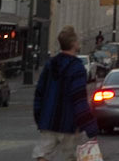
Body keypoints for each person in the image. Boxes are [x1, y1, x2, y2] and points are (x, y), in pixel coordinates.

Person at [32, 26, 98, 161]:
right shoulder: (77, 67)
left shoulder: (50, 65)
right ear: (73, 44)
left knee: (43, 154)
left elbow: (39, 93)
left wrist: (40, 117)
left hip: (49, 119)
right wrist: (89, 126)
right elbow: (79, 99)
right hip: (69, 121)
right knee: (70, 156)